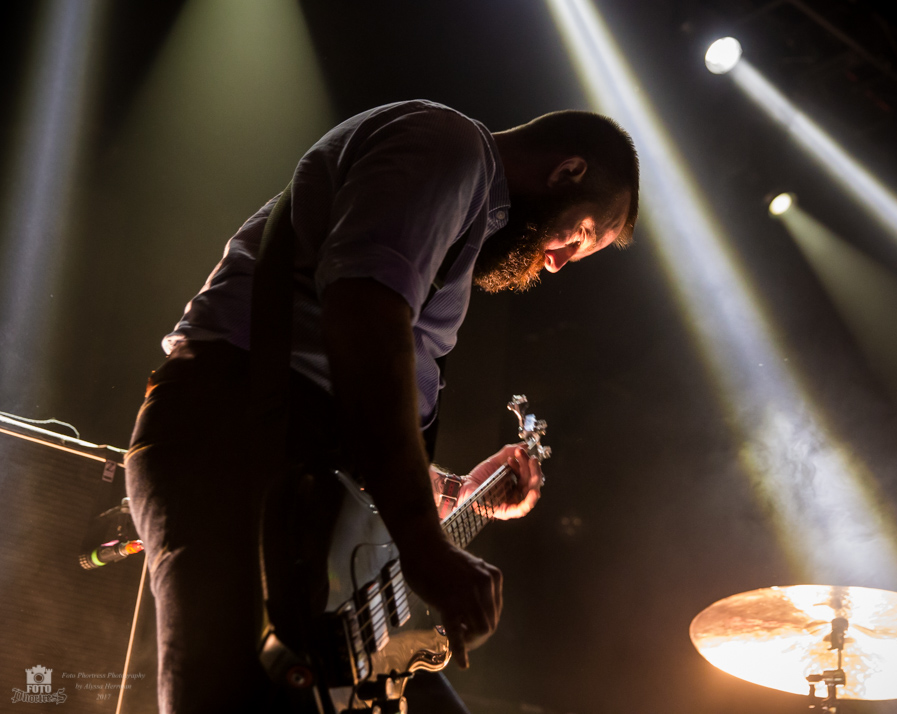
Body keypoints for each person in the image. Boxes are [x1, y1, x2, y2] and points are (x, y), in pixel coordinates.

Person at [125, 99, 639, 714]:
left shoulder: (462, 204)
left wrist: (450, 493)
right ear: (568, 172)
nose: (558, 261)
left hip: (286, 448)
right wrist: (424, 546)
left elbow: (351, 405)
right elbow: (364, 323)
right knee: (230, 695)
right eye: (581, 234)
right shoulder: (448, 149)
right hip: (233, 438)